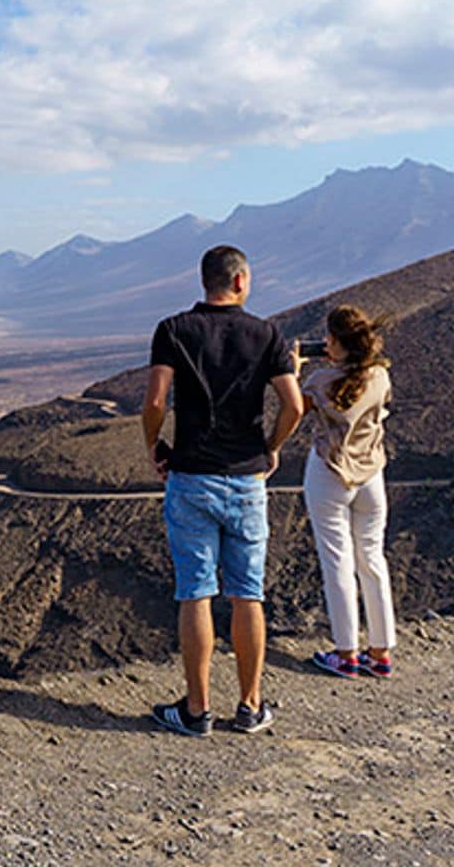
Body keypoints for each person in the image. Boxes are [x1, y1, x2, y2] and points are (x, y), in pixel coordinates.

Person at [142, 245, 304, 736]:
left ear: (205, 281)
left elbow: (154, 400)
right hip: (247, 479)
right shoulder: (267, 334)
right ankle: (251, 706)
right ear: (239, 282)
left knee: (195, 593)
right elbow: (293, 406)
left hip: (190, 475)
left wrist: (155, 447)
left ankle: (196, 710)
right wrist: (271, 447)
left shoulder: (173, 330)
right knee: (246, 594)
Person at [297, 305, 396, 679]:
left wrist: (293, 371)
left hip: (329, 473)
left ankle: (345, 652)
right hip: (371, 477)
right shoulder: (381, 378)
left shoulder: (321, 381)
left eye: (329, 338)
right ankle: (380, 651)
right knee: (372, 559)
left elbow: (295, 409)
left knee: (337, 561)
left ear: (337, 342)